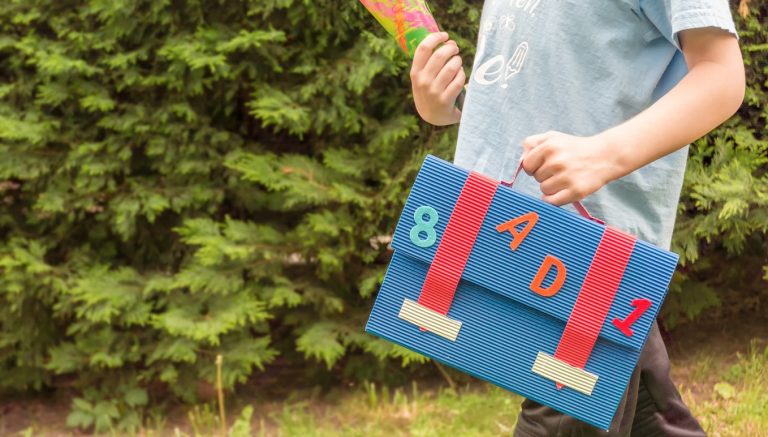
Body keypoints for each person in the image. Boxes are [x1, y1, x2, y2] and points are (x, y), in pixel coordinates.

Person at [408, 1, 745, 435]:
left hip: (588, 261)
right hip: (504, 238)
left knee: (557, 415)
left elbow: (722, 76)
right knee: (649, 417)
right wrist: (444, 103)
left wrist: (603, 156)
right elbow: (535, 82)